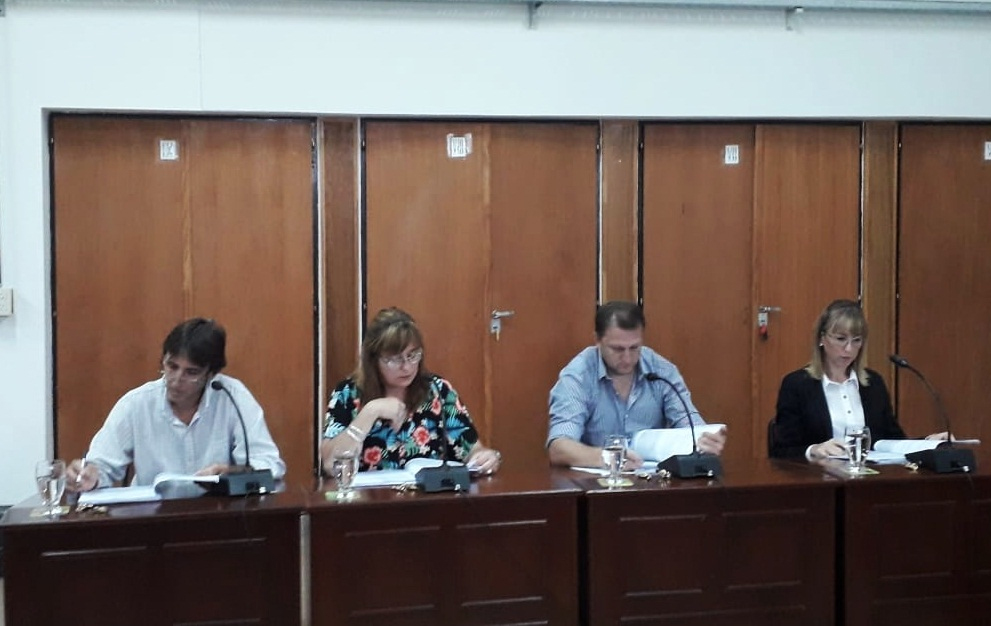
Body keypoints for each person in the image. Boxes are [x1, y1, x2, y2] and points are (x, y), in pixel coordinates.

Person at [66, 318, 286, 490]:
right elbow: (101, 465)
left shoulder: (232, 397)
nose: (176, 379)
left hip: (218, 514)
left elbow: (270, 464)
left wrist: (232, 472)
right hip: (152, 517)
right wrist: (89, 475)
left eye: (191, 372)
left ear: (211, 374)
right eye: (171, 367)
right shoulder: (137, 404)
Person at [320, 307, 502, 475]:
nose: (406, 367)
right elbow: (330, 464)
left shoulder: (438, 390)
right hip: (369, 497)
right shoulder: (348, 393)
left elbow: (472, 449)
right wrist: (370, 412)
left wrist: (484, 457)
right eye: (394, 359)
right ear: (373, 360)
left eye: (412, 356)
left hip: (428, 497)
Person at [547, 301, 727, 469]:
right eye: (617, 349)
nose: (627, 358)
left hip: (653, 482)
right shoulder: (578, 376)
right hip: (596, 483)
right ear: (597, 340)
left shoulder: (661, 371)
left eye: (634, 348)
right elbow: (559, 447)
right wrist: (609, 458)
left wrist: (705, 440)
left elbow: (689, 424)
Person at [769, 299, 945, 459]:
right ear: (821, 338)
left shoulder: (873, 383)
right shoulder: (797, 385)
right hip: (819, 477)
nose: (849, 349)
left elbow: (892, 440)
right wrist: (814, 449)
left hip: (870, 476)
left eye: (856, 340)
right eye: (841, 339)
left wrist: (926, 443)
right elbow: (782, 450)